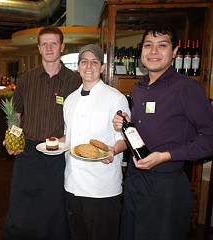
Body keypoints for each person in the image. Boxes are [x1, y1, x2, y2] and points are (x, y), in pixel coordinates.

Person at [112, 23, 213, 240]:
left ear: (175, 52)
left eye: (162, 45)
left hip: (166, 187)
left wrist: (167, 156)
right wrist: (127, 125)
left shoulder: (186, 87)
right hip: (135, 181)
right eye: (148, 45)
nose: (154, 51)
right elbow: (150, 128)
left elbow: (210, 138)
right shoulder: (139, 88)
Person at [2, 26, 82, 240]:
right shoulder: (26, 80)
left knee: (55, 206)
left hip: (58, 153)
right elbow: (16, 114)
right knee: (22, 203)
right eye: (44, 44)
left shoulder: (74, 82)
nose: (49, 48)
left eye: (53, 43)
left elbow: (79, 118)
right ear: (38, 48)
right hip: (27, 152)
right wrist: (12, 137)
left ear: (62, 47)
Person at [63, 44, 130, 240]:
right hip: (72, 183)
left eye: (94, 62)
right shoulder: (70, 101)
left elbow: (125, 138)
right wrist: (51, 143)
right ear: (78, 66)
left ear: (102, 67)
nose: (89, 66)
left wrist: (113, 150)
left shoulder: (115, 98)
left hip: (102, 186)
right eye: (84, 62)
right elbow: (70, 136)